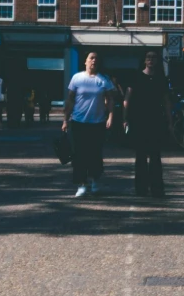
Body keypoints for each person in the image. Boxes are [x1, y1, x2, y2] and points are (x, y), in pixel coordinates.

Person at [62, 50, 118, 199]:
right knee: (79, 155)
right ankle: (81, 185)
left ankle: (95, 182)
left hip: (97, 123)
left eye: (96, 59)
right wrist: (65, 119)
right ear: (85, 61)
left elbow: (111, 100)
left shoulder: (103, 80)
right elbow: (70, 100)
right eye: (91, 58)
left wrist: (111, 116)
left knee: (95, 154)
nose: (94, 61)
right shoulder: (77, 78)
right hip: (79, 122)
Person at [126, 50, 170, 200]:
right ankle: (141, 188)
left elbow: (166, 101)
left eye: (154, 57)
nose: (151, 60)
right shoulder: (136, 76)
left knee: (155, 157)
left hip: (156, 120)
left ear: (157, 61)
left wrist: (170, 121)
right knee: (141, 156)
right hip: (139, 120)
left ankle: (157, 188)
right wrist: (125, 117)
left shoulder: (161, 79)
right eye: (148, 57)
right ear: (144, 60)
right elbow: (128, 97)